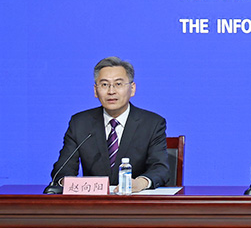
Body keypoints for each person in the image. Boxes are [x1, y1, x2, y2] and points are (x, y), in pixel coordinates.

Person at [48, 57, 170, 192]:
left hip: (135, 200)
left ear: (132, 89)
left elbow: (160, 168)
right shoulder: (80, 123)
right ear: (95, 90)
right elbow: (63, 169)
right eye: (105, 85)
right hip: (94, 202)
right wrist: (67, 182)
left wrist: (140, 183)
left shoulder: (152, 123)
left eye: (118, 84)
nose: (111, 91)